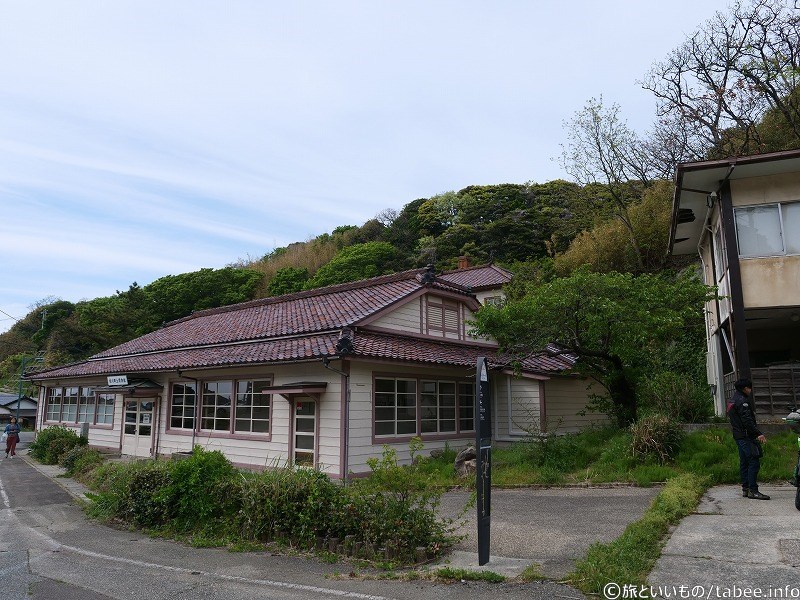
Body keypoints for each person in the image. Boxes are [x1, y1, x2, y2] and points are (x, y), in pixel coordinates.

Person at [727, 378, 769, 500]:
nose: (750, 390)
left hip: (738, 435)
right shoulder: (743, 401)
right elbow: (747, 421)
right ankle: (753, 490)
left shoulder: (733, 399)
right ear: (745, 388)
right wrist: (758, 433)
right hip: (746, 436)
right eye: (749, 388)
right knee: (753, 461)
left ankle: (745, 489)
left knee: (744, 462)